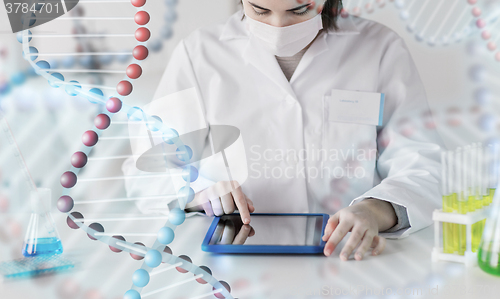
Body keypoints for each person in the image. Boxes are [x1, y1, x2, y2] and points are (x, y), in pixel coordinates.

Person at [122, 0, 443, 261]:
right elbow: (147, 171)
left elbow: (422, 165)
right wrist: (200, 191)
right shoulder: (200, 53)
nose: (278, 27)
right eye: (260, 10)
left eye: (300, 10)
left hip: (347, 256)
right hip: (234, 262)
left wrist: (374, 210)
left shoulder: (379, 48)